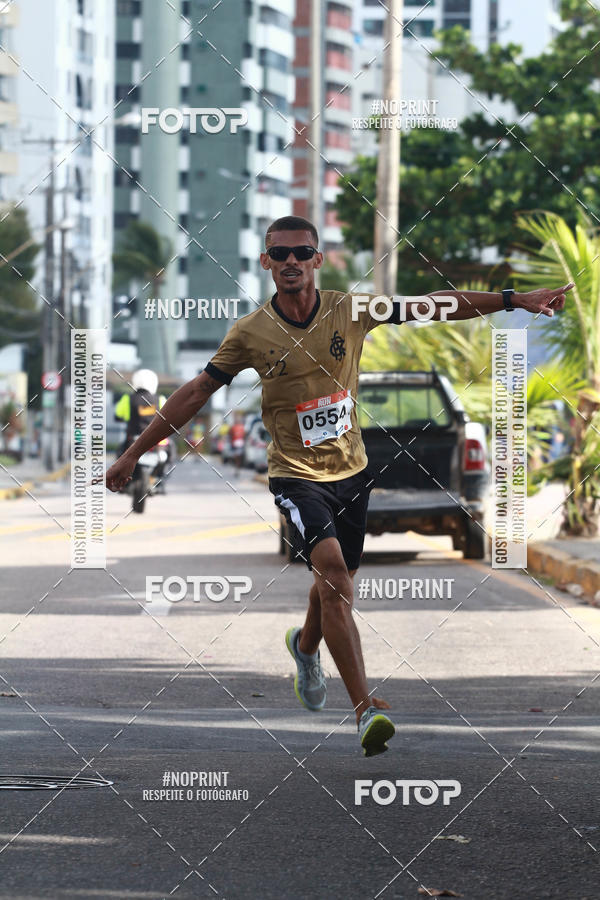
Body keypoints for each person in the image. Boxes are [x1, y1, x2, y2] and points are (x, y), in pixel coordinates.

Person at [104, 215, 573, 756]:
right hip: (294, 475)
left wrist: (515, 300)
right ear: (266, 263)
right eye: (279, 255)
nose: (291, 263)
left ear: (317, 260)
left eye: (301, 252)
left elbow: (436, 305)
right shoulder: (250, 333)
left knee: (337, 583)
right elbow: (193, 395)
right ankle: (364, 708)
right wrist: (133, 453)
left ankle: (305, 648)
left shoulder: (351, 310)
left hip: (351, 471)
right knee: (333, 576)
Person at [114, 368, 171, 492]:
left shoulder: (127, 399)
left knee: (120, 454)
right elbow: (169, 415)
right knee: (170, 452)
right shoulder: (160, 399)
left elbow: (118, 415)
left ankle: (121, 481)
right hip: (156, 438)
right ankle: (159, 480)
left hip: (133, 437)